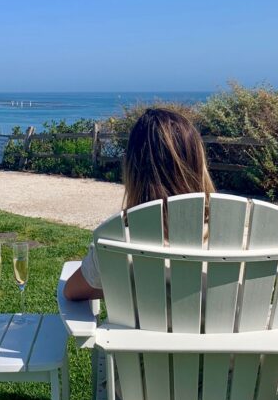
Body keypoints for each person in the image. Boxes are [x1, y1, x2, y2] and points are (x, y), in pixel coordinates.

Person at [64, 107, 214, 300]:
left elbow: (71, 292)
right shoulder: (241, 236)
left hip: (139, 330)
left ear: (134, 170)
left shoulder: (116, 240)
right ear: (198, 163)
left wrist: (131, 288)